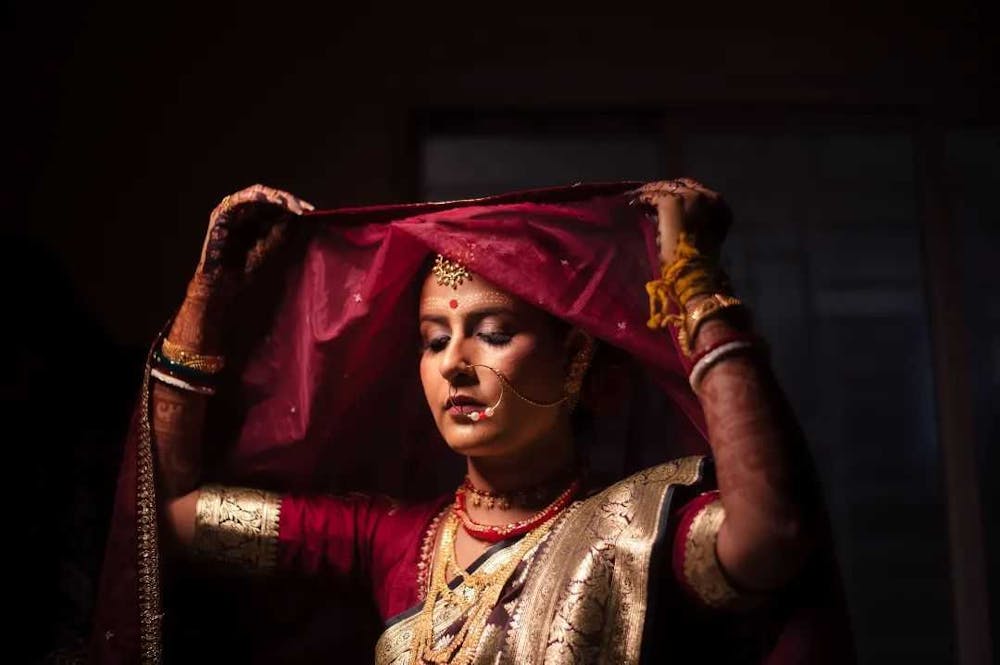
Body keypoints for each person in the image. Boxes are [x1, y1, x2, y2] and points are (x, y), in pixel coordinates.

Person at [93, 181, 854, 663]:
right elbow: (170, 520)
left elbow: (772, 536)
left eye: (491, 333)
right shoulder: (389, 541)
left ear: (576, 358)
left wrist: (697, 293)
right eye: (432, 340)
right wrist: (206, 305)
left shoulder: (635, 529)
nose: (454, 362)